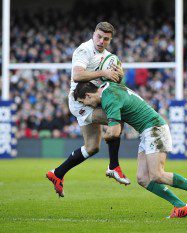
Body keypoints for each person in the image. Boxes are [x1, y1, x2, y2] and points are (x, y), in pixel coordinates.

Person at [73, 81, 187, 218]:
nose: (85, 105)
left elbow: (114, 132)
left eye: (83, 101)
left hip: (154, 129)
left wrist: (105, 136)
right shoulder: (109, 86)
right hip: (147, 131)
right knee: (143, 178)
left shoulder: (109, 98)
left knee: (157, 175)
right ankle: (180, 206)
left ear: (88, 95)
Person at [46, 22, 130, 198]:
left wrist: (118, 75)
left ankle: (58, 173)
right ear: (94, 34)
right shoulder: (84, 50)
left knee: (92, 147)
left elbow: (115, 79)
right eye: (99, 36)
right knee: (117, 118)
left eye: (106, 39)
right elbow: (77, 75)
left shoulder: (108, 56)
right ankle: (114, 166)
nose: (101, 41)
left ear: (110, 40)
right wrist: (104, 73)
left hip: (93, 101)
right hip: (81, 101)